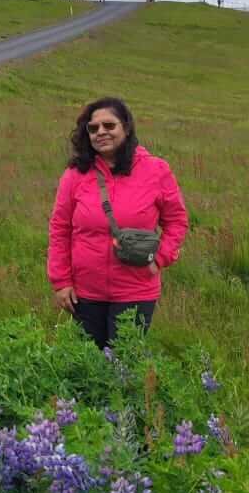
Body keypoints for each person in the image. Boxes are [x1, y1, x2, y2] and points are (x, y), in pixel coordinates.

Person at [47, 97, 188, 348]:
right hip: (85, 293)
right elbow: (60, 228)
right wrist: (61, 281)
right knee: (89, 363)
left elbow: (177, 221)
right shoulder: (75, 175)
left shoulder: (156, 170)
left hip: (136, 289)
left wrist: (159, 259)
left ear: (126, 127)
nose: (101, 132)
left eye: (109, 125)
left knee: (124, 362)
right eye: (93, 128)